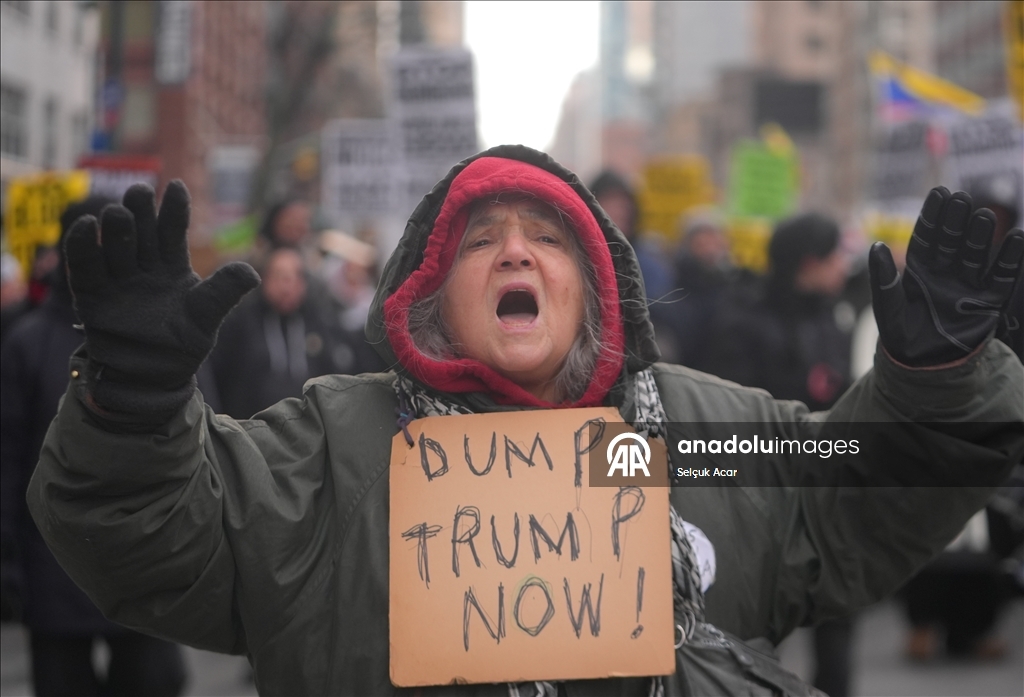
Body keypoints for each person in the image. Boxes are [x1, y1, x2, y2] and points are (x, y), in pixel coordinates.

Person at [25, 146, 1024, 695]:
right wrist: (136, 404)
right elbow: (152, 542)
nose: (515, 254)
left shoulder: (694, 429)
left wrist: (933, 376)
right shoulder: (325, 448)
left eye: (547, 238)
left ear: (590, 291)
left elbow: (847, 508)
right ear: (427, 294)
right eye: (480, 242)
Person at [1, 196, 188, 697]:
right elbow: (8, 458)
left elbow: (196, 439)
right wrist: (8, 562)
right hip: (54, 564)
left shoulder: (161, 332)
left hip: (143, 560)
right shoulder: (29, 341)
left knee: (153, 680)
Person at [210, 246, 381, 419]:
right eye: (279, 276)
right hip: (248, 430)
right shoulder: (241, 324)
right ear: (264, 279)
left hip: (308, 432)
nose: (287, 286)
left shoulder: (319, 323)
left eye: (294, 277)